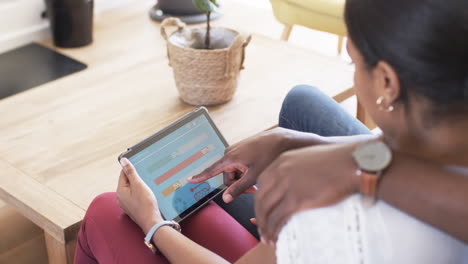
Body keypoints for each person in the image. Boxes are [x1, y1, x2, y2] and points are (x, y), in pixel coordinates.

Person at [74, 0, 468, 263]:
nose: (350, 56)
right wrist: (297, 141)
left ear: (386, 81)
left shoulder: (344, 220)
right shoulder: (441, 139)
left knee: (106, 211)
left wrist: (152, 225)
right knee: (200, 206)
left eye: (355, 54)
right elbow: (386, 151)